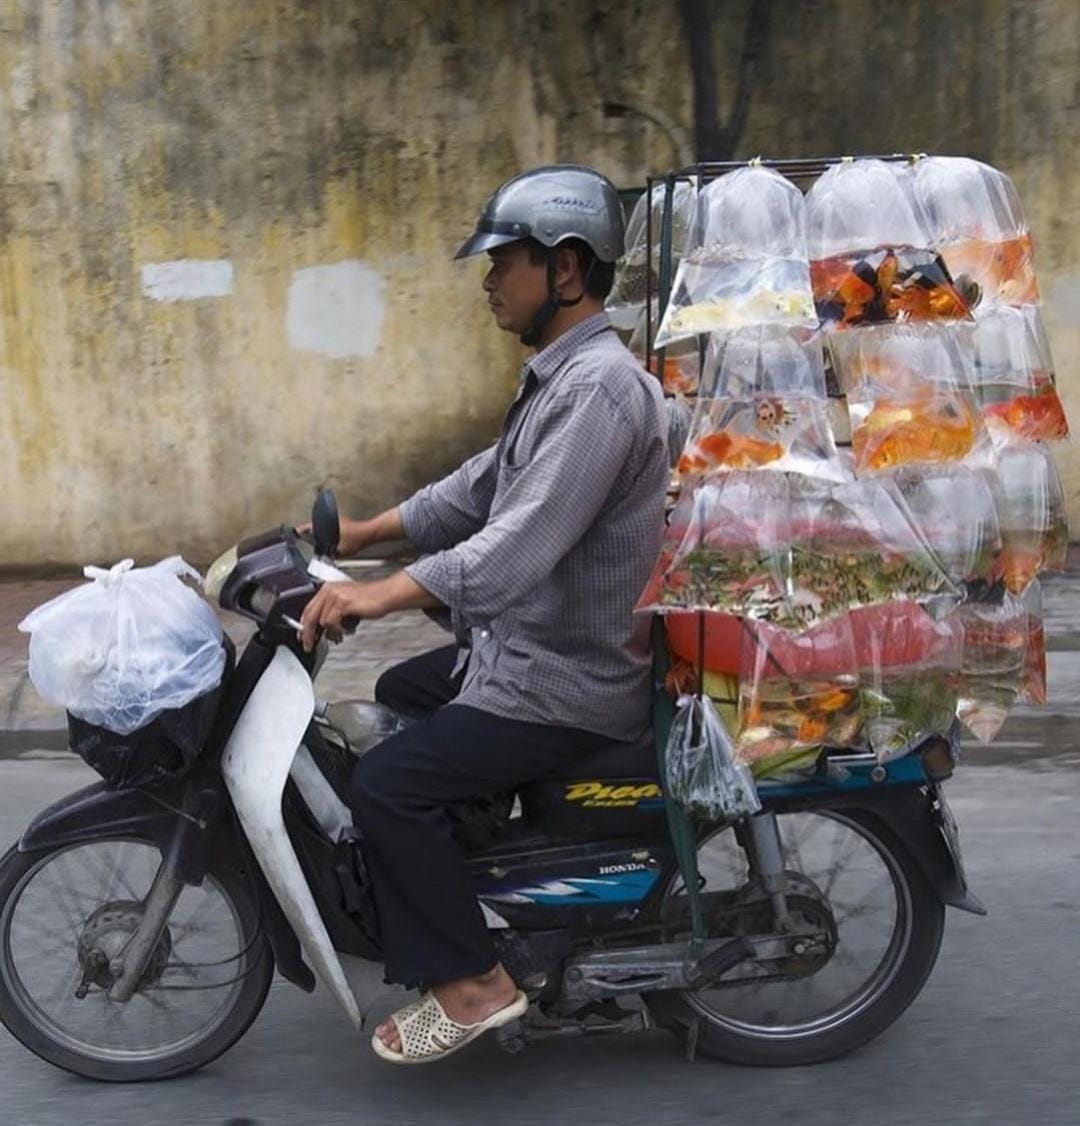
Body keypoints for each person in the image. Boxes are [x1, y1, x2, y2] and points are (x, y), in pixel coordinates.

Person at [297, 165, 669, 1064]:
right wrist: (363, 530)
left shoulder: (600, 394)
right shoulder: (562, 380)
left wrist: (378, 592)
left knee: (391, 786)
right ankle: (496, 875)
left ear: (567, 269)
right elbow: (478, 489)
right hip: (527, 652)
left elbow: (514, 549)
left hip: (568, 679)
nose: (489, 281)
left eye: (505, 262)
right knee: (396, 690)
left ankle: (474, 984)